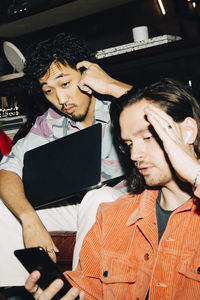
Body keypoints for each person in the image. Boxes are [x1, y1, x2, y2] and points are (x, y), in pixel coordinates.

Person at [26, 78, 200, 299]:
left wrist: (194, 172)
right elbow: (85, 288)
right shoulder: (111, 217)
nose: (135, 156)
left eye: (147, 137)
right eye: (129, 144)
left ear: (188, 131)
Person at [0, 32, 132, 299]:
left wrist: (112, 86)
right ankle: (19, 293)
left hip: (132, 203)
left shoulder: (124, 104)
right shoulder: (50, 121)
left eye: (65, 83)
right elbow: (8, 168)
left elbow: (170, 115)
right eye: (48, 90)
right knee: (3, 207)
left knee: (99, 198)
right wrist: (28, 219)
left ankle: (82, 293)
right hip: (81, 206)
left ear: (86, 73)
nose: (60, 100)